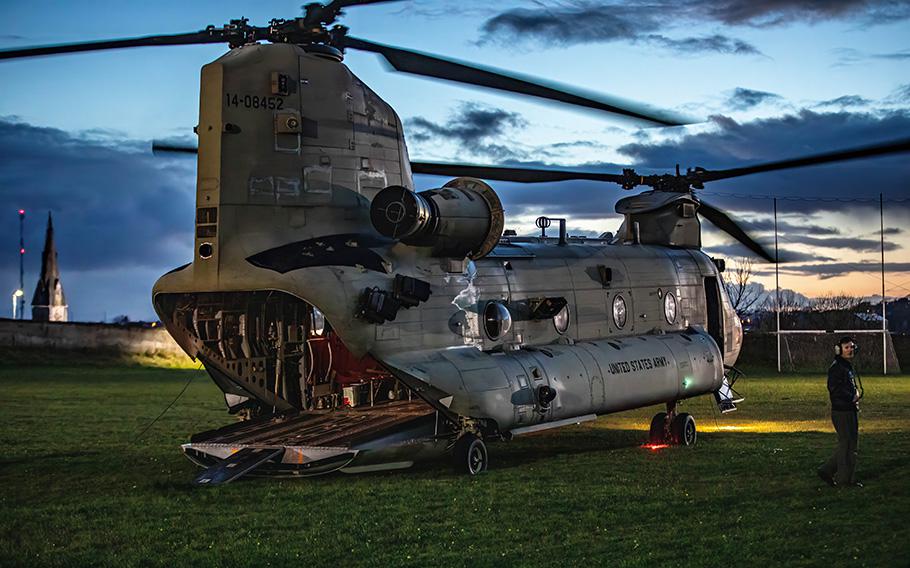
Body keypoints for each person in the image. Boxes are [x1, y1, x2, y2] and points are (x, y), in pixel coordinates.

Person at [817, 336, 863, 488]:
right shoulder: (837, 367)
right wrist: (852, 397)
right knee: (847, 446)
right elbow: (834, 390)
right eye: (847, 347)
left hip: (848, 410)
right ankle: (844, 480)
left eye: (851, 347)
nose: (850, 350)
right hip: (842, 412)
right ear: (839, 350)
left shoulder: (845, 366)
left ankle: (827, 470)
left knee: (849, 445)